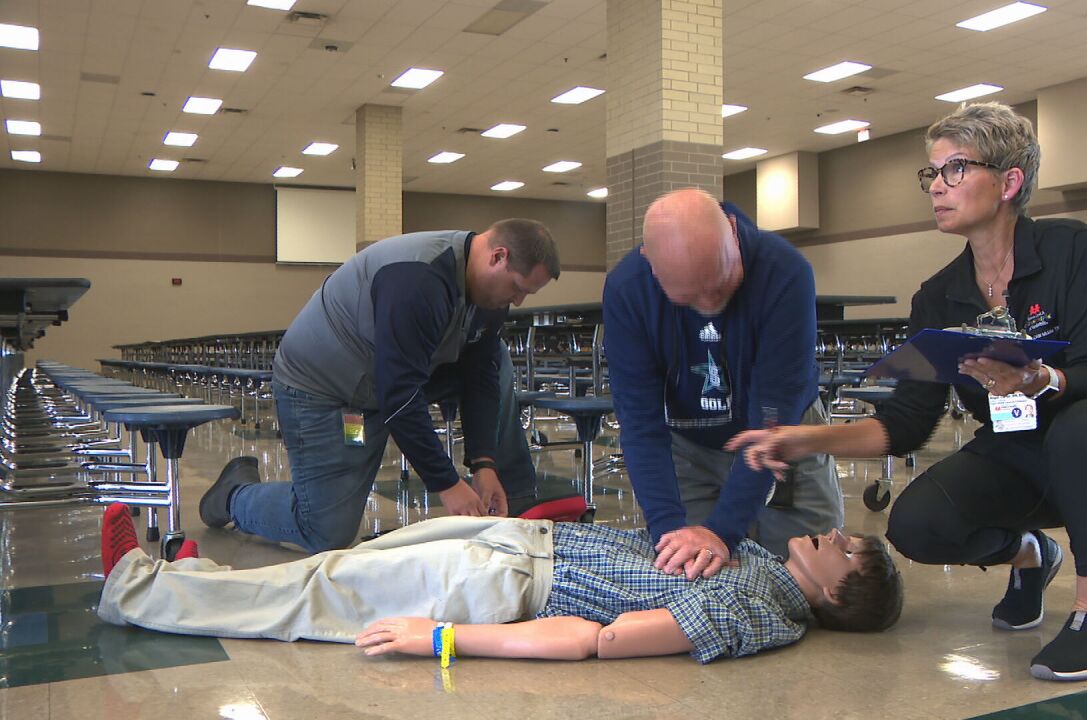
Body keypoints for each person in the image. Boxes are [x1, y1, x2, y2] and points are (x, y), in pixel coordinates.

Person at [727, 102, 1087, 682]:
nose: (937, 187)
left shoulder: (1070, 249)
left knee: (1084, 421)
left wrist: (1042, 379)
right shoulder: (938, 297)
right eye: (933, 173)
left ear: (1008, 182)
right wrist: (799, 439)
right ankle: (1031, 555)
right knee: (916, 524)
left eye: (955, 170)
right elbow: (908, 423)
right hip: (1022, 458)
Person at [98, 503, 903, 663]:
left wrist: (443, 637)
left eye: (849, 550)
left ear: (837, 594)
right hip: (523, 541)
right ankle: (192, 576)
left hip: (510, 584)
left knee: (325, 595)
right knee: (335, 569)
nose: (837, 534)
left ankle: (135, 588)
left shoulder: (763, 609)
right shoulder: (763, 562)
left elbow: (604, 639)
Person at [199, 219, 560, 553]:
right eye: (517, 288)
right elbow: (400, 395)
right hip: (326, 393)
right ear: (498, 257)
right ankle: (233, 494)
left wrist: (485, 463)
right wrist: (446, 484)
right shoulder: (417, 280)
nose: (518, 301)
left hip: (376, 383)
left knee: (497, 361)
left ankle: (517, 502)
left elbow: (481, 376)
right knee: (326, 531)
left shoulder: (487, 293)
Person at [602, 188, 843, 579]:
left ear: (733, 231)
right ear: (651, 264)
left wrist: (724, 530)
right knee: (693, 575)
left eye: (719, 283)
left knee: (811, 582)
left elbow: (772, 418)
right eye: (688, 297)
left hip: (783, 437)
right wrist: (667, 531)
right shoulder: (627, 289)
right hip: (687, 442)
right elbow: (640, 421)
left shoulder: (786, 271)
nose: (709, 304)